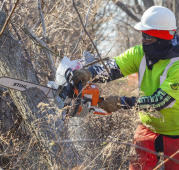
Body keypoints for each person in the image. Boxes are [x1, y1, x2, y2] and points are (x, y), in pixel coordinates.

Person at [71, 6, 179, 170]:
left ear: (162, 37)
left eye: (147, 37)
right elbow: (113, 68)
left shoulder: (177, 64)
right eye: (142, 35)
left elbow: (160, 101)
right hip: (147, 127)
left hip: (176, 132)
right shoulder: (139, 52)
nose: (143, 40)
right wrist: (90, 73)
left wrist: (121, 102)